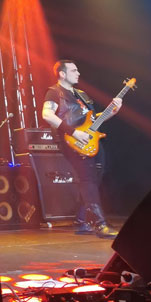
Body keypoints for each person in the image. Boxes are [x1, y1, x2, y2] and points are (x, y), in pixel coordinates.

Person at [42, 60, 122, 238]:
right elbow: (47, 115)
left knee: (96, 176)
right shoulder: (54, 92)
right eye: (74, 70)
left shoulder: (82, 95)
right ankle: (99, 224)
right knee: (87, 179)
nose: (78, 73)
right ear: (62, 74)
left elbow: (93, 120)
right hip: (72, 140)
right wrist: (74, 132)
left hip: (90, 139)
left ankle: (83, 220)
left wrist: (112, 111)